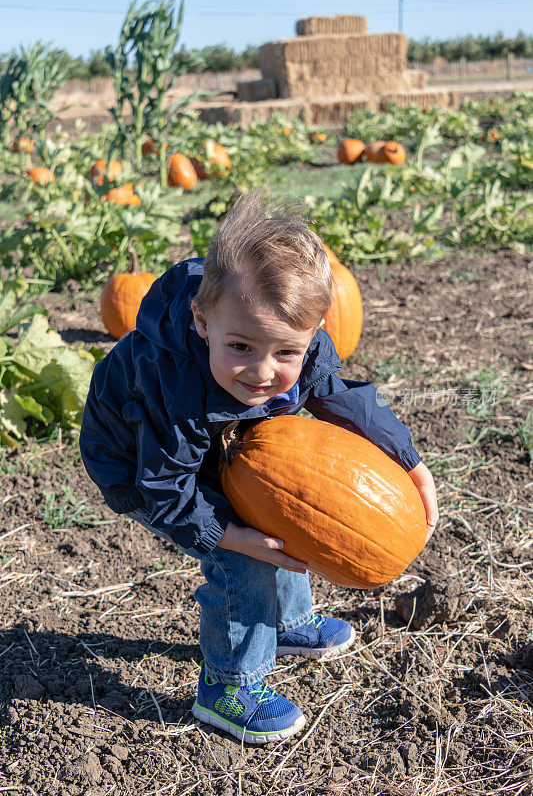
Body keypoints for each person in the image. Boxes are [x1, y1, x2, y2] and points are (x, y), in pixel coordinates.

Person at [80, 189, 438, 744]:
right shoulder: (171, 385)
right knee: (241, 562)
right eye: (242, 346)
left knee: (283, 506)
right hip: (140, 462)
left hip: (214, 430)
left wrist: (408, 461)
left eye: (285, 353)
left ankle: (290, 623)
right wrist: (229, 534)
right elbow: (166, 488)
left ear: (315, 330)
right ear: (201, 321)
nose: (263, 371)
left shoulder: (298, 346)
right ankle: (228, 686)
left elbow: (340, 396)